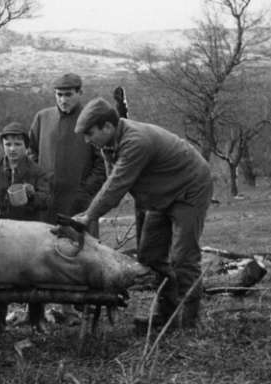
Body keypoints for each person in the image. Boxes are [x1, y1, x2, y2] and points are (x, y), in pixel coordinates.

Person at [72, 97, 213, 329]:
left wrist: (89, 216)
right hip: (161, 194)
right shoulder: (108, 145)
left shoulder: (135, 142)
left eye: (89, 134)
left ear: (107, 127)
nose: (87, 140)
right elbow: (111, 183)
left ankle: (189, 322)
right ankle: (167, 314)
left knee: (183, 257)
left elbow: (117, 185)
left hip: (190, 189)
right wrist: (91, 212)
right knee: (150, 256)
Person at [0, 122, 50, 336]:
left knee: (34, 275)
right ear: (3, 145)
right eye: (8, 144)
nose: (12, 149)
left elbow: (47, 200)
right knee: (0, 277)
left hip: (30, 233)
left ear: (26, 146)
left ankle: (37, 318)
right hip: (1, 232)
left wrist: (32, 194)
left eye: (18, 144)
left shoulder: (37, 171)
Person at [29, 73, 106, 235]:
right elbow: (32, 153)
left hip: (79, 201)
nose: (63, 100)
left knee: (82, 244)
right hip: (47, 200)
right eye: (59, 95)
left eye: (68, 94)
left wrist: (86, 190)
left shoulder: (93, 119)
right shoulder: (43, 117)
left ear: (80, 93)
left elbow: (103, 161)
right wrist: (40, 183)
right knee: (47, 243)